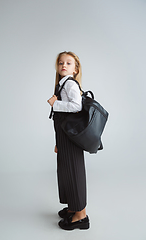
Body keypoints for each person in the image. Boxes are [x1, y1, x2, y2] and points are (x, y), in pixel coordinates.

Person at [47, 51, 90, 230]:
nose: (63, 65)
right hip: (65, 137)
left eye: (69, 63)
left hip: (70, 138)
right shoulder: (62, 84)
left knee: (74, 172)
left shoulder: (70, 84)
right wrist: (59, 141)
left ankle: (81, 216)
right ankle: (73, 206)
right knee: (66, 172)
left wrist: (55, 103)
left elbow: (76, 106)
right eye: (61, 63)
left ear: (75, 69)